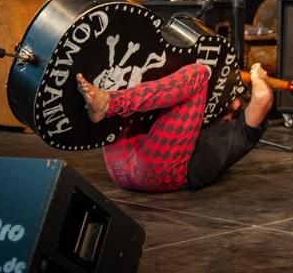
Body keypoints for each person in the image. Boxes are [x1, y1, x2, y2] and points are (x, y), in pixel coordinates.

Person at [75, 61, 272, 192]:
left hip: (160, 171)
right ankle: (100, 101)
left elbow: (262, 98)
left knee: (198, 74)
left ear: (236, 103)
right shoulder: (202, 114)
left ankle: (109, 103)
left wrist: (258, 78)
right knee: (144, 72)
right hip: (123, 164)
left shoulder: (241, 133)